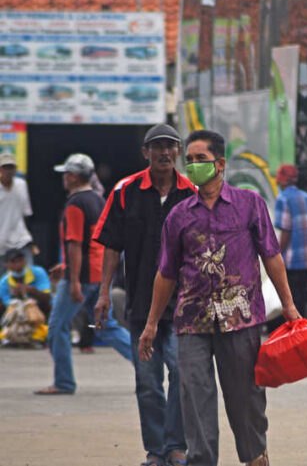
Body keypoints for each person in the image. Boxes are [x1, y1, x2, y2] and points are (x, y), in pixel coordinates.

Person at [138, 130, 301, 466]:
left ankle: (255, 455)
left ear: (221, 163)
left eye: (201, 159)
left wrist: (289, 305)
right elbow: (166, 274)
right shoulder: (179, 215)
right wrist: (151, 323)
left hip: (240, 318)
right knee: (194, 398)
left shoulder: (249, 204)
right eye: (191, 160)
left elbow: (271, 255)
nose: (194, 165)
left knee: (246, 398)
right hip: (191, 320)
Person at [93, 124, 196, 466]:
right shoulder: (126, 191)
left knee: (181, 374)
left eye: (170, 146)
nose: (164, 152)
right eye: (157, 147)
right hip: (140, 305)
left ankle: (176, 445)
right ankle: (156, 450)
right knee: (148, 382)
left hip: (183, 306)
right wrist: (104, 292)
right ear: (145, 153)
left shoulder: (192, 193)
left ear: (178, 152)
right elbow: (111, 245)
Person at [35, 153, 132, 395]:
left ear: (74, 177)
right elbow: (94, 243)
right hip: (100, 275)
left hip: (83, 277)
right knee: (107, 326)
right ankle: (148, 365)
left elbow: (76, 245)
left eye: (66, 174)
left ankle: (64, 382)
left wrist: (74, 280)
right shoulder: (98, 200)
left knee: (57, 326)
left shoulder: (76, 204)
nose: (64, 179)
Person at [273, 163, 307, 317]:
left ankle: (294, 337)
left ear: (282, 181)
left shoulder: (282, 199)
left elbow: (286, 230)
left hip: (291, 262)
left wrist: (276, 254)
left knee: (291, 304)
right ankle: (303, 335)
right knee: (302, 302)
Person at [0, 248, 51, 346]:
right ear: (7, 265)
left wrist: (31, 290)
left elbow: (47, 297)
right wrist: (16, 297)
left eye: (20, 260)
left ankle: (43, 332)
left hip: (39, 311)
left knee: (42, 305)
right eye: (13, 262)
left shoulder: (38, 272)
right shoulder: (4, 282)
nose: (17, 264)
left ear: (25, 261)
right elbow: (7, 305)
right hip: (16, 315)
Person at [0, 152, 35, 266]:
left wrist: (33, 242)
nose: (8, 170)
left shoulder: (21, 185)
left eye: (11, 167)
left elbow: (27, 213)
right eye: (5, 167)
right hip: (1, 244)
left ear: (15, 169)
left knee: (29, 277)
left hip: (21, 240)